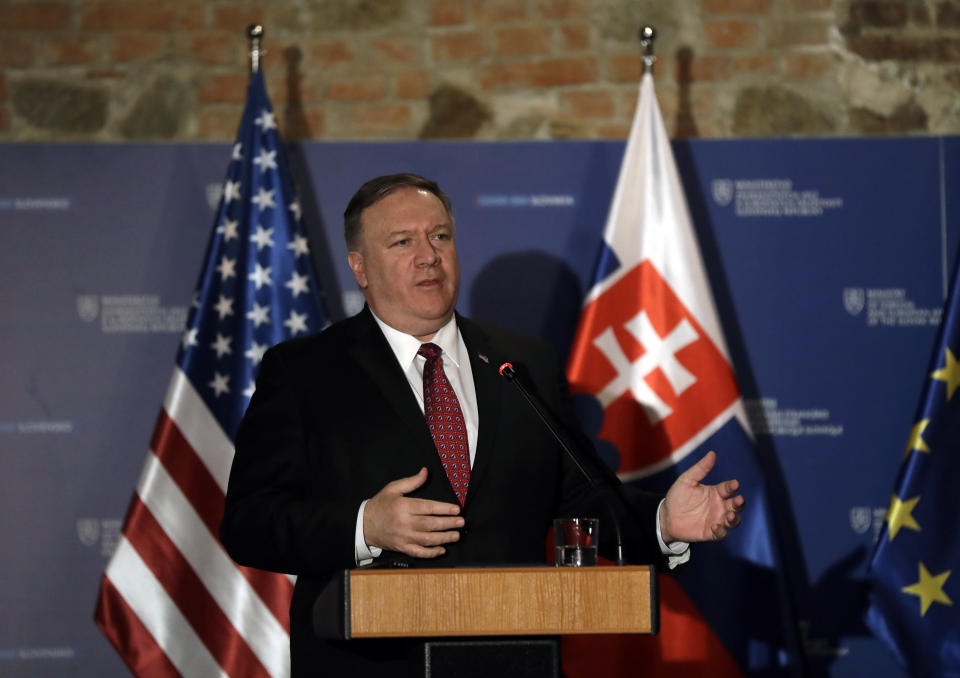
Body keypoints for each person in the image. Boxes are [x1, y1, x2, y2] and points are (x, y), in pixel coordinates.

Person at [220, 173, 744, 676]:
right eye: (402, 242)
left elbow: (581, 501)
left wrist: (661, 522)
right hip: (369, 665)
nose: (428, 255)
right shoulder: (306, 371)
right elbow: (249, 521)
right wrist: (365, 527)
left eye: (439, 236)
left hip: (514, 659)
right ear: (360, 268)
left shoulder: (522, 363)